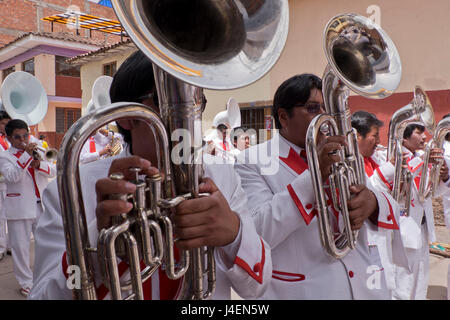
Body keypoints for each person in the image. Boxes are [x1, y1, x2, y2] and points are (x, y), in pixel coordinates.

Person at [29, 50, 271, 300]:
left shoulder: (222, 174)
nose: (189, 113)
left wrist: (235, 233)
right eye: (167, 99)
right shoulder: (70, 189)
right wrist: (95, 246)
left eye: (197, 100)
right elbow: (44, 296)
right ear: (126, 117)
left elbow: (258, 287)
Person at [234, 73, 402, 299]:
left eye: (326, 108)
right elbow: (257, 232)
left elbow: (384, 200)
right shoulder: (251, 161)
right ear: (283, 117)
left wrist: (372, 203)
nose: (324, 117)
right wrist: (315, 176)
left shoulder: (344, 154)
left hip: (364, 285)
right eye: (313, 108)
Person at [375, 123, 449, 300]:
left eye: (424, 133)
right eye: (419, 133)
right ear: (404, 138)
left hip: (421, 229)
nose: (424, 137)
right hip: (402, 230)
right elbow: (396, 188)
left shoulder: (421, 156)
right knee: (402, 283)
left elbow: (429, 193)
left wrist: (443, 177)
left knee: (420, 280)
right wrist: (423, 162)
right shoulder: (390, 156)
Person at [351, 110, 409, 293]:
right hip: (367, 241)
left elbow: (388, 196)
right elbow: (369, 191)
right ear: (356, 136)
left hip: (383, 235)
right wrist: (391, 167)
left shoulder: (372, 160)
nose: (378, 141)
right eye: (374, 136)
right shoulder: (350, 164)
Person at [0, 119, 56, 297]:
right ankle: (25, 282)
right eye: (17, 137)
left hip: (42, 205)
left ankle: (44, 276)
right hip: (19, 207)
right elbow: (12, 177)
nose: (23, 140)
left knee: (45, 245)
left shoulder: (38, 147)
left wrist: (39, 164)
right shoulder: (4, 156)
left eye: (25, 135)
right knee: (21, 249)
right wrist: (27, 157)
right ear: (8, 137)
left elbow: (54, 171)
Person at [0, 111, 11, 261]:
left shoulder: (7, 140)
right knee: (1, 217)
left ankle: (9, 245)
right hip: (2, 183)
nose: (6, 126)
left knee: (10, 216)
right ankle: (1, 247)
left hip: (10, 184)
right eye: (3, 123)